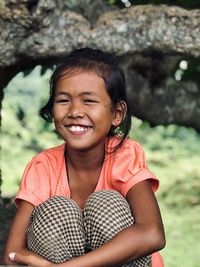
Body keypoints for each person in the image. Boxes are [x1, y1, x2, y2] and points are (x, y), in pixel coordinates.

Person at [3, 48, 165, 267]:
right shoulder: (43, 167)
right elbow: (12, 255)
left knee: (106, 203)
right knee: (56, 210)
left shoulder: (124, 156)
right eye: (63, 100)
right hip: (59, 257)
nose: (75, 111)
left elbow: (152, 233)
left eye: (88, 101)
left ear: (116, 114)